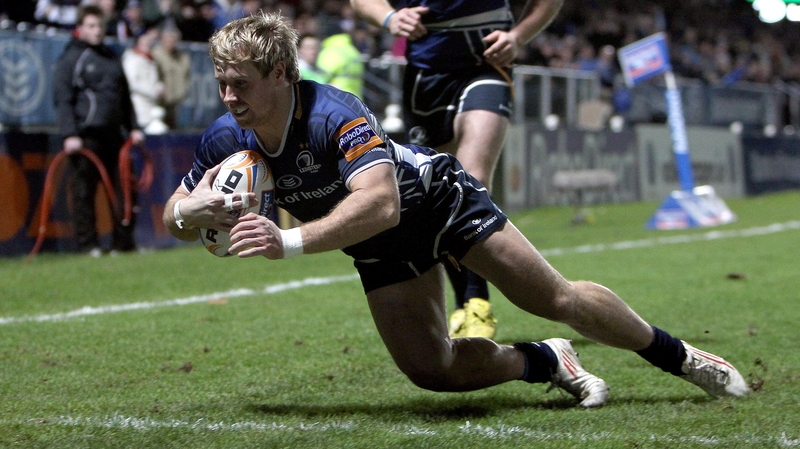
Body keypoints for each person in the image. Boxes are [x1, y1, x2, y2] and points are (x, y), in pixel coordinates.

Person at [163, 12, 750, 407]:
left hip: (439, 203)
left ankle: (681, 357)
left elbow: (382, 202)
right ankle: (545, 361)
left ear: (283, 75)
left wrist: (285, 241)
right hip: (377, 244)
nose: (228, 97)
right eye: (222, 84)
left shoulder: (333, 113)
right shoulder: (225, 137)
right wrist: (193, 211)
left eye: (240, 83)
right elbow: (173, 215)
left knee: (556, 299)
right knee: (432, 371)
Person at [350, 0, 564, 339]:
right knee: (438, 196)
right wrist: (390, 17)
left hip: (486, 66)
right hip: (425, 76)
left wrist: (519, 36)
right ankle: (465, 304)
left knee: (471, 180)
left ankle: (476, 302)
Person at [54, 5, 145, 256]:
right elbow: (63, 99)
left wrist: (134, 128)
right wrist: (69, 133)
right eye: (91, 26)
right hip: (85, 137)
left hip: (115, 136)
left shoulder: (112, 58)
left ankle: (123, 243)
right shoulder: (71, 59)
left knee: (124, 189)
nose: (96, 31)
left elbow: (124, 97)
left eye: (100, 26)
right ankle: (89, 245)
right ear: (80, 28)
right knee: (84, 193)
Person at [122, 23, 167, 133]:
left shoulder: (151, 59)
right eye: (146, 41)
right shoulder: (131, 58)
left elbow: (154, 80)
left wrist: (159, 87)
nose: (149, 44)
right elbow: (131, 83)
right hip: (139, 109)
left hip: (151, 109)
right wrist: (152, 91)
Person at [152, 24, 191, 129]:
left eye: (173, 39)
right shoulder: (156, 54)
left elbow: (186, 76)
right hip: (158, 102)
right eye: (168, 39)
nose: (170, 42)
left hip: (175, 102)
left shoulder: (182, 57)